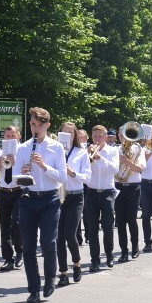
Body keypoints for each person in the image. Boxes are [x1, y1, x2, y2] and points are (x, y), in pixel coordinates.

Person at [12, 107, 65, 303]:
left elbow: (62, 177)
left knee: (49, 242)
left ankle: (50, 278)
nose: (34, 128)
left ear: (46, 125)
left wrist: (44, 166)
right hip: (28, 199)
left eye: (37, 124)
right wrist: (24, 173)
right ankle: (33, 289)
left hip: (50, 199)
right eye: (32, 124)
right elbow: (16, 179)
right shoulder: (24, 147)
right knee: (28, 247)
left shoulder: (56, 147)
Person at [56, 122, 91, 286]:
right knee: (59, 237)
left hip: (75, 196)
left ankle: (76, 264)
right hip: (58, 196)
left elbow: (87, 178)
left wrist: (73, 173)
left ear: (75, 135)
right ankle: (63, 272)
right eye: (64, 132)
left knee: (70, 234)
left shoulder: (81, 153)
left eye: (71, 133)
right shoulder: (55, 151)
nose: (68, 135)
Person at [84, 125, 120, 271]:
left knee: (108, 226)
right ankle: (95, 260)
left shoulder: (112, 151)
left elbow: (115, 170)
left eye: (100, 136)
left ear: (106, 137)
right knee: (92, 229)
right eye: (95, 137)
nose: (97, 139)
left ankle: (110, 255)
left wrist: (101, 158)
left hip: (108, 192)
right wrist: (88, 156)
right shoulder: (86, 151)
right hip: (92, 192)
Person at [0, 125, 24, 271]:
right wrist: (3, 158)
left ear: (19, 136)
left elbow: (28, 170)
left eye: (13, 135)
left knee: (16, 222)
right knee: (4, 225)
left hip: (19, 191)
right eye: (7, 136)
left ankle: (20, 252)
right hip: (4, 191)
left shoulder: (23, 150)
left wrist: (16, 161)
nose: (10, 138)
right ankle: (8, 258)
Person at [114, 129, 146, 261]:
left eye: (125, 135)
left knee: (131, 220)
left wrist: (126, 161)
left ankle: (135, 246)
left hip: (133, 188)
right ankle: (123, 251)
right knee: (120, 222)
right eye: (121, 135)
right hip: (118, 187)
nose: (123, 138)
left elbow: (139, 169)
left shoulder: (138, 149)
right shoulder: (115, 150)